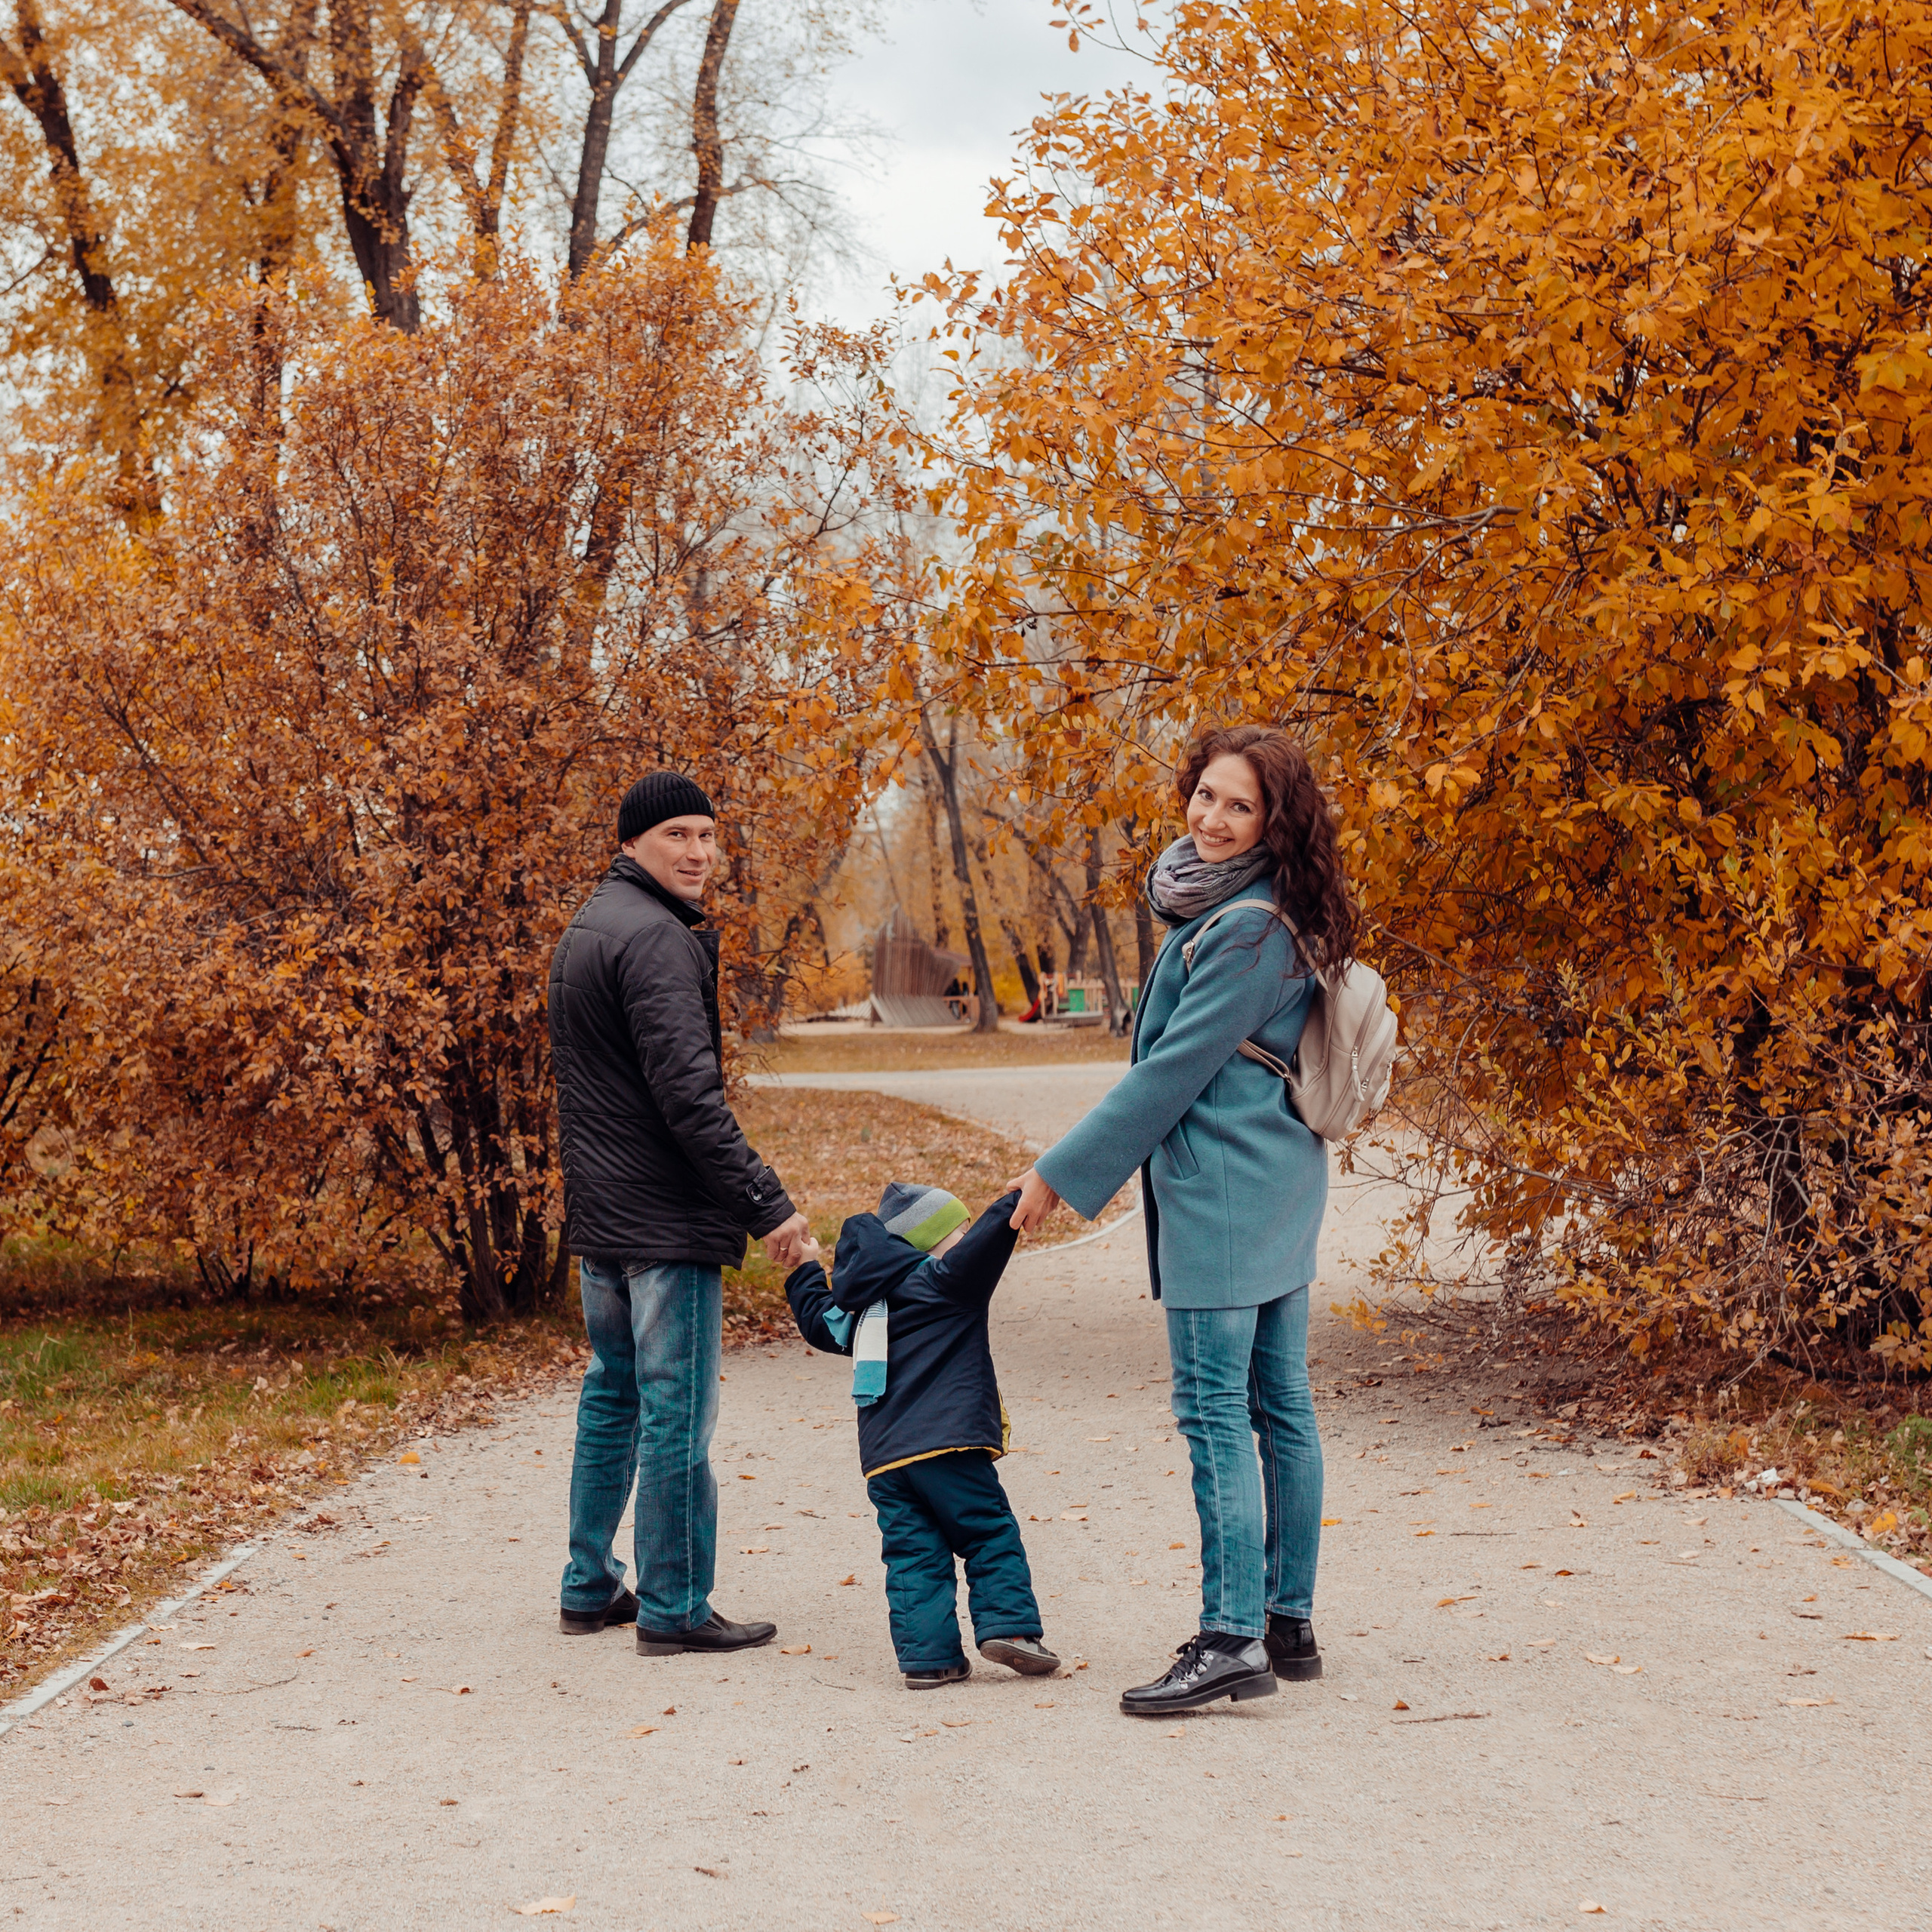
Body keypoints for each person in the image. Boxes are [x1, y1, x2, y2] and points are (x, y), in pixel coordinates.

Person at [1007, 724, 1356, 1717]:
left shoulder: (1248, 925)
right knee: (1278, 1406)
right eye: (1205, 795)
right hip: (1271, 1178)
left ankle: (1232, 1637)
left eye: (1238, 806)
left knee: (1222, 1414)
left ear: (1274, 822)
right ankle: (1284, 1620)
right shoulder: (1253, 904)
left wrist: (1057, 1178)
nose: (1211, 818)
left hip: (1227, 1195)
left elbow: (1172, 1073)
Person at [548, 769, 812, 1656]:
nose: (698, 852)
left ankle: (590, 1585)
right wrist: (766, 1204)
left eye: (706, 834)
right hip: (662, 1220)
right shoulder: (656, 939)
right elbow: (690, 1101)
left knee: (613, 1397)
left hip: (605, 1215)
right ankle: (674, 1606)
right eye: (676, 836)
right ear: (633, 843)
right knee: (673, 1411)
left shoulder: (591, 924)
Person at [784, 1181, 1060, 1690]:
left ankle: (929, 1660)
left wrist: (803, 1267)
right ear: (934, 1243)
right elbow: (990, 1243)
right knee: (987, 1531)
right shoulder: (946, 1282)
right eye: (960, 1231)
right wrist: (1024, 1191)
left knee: (913, 1551)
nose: (967, 1239)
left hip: (887, 1460)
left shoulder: (863, 1308)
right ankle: (1011, 1630)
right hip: (948, 1443)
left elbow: (815, 1320)